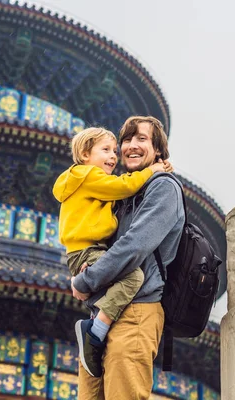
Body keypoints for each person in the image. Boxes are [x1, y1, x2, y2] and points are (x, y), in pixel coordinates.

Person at [71, 116, 185, 400]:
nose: (131, 146)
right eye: (126, 140)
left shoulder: (163, 188)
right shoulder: (122, 193)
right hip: (102, 314)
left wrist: (86, 280)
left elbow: (135, 246)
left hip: (137, 311)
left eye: (142, 139)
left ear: (158, 150)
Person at [52, 127, 172, 377]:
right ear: (85, 154)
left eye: (114, 151)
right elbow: (123, 186)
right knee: (133, 277)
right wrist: (152, 170)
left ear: (158, 149)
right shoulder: (89, 176)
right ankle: (95, 331)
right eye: (106, 150)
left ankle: (96, 329)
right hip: (88, 252)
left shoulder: (79, 179)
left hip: (84, 253)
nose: (114, 156)